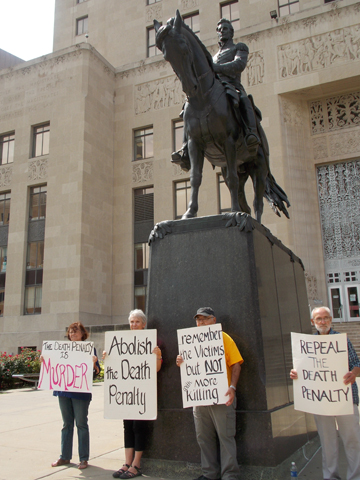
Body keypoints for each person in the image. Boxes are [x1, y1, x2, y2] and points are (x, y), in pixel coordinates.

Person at [172, 18, 260, 169]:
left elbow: (239, 64)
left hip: (233, 86)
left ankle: (251, 133)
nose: (221, 32)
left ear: (231, 32)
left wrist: (216, 68)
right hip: (217, 89)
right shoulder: (214, 55)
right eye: (219, 30)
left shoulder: (239, 47)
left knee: (244, 99)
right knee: (189, 106)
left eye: (224, 29)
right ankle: (185, 148)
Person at [290, 306, 360, 480]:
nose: (323, 322)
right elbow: (302, 370)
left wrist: (354, 373)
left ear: (331, 320)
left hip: (345, 398)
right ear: (312, 322)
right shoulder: (306, 344)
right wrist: (296, 374)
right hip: (321, 401)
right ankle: (331, 476)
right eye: (319, 319)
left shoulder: (342, 340)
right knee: (328, 443)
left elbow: (356, 363)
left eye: (326, 318)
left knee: (352, 440)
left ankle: (355, 476)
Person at [176, 307, 243, 480]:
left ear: (214, 320)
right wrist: (181, 361)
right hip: (200, 398)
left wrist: (232, 387)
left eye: (205, 319)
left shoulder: (224, 338)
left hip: (222, 397)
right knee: (203, 438)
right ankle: (210, 474)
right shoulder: (190, 342)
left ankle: (230, 475)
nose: (201, 323)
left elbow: (236, 364)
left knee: (225, 437)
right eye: (198, 320)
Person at [109, 309, 162, 479]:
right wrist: (107, 357)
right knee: (127, 427)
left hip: (142, 392)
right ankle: (127, 462)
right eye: (132, 322)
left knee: (139, 427)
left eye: (137, 321)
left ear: (144, 324)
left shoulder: (152, 341)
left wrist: (158, 356)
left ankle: (136, 464)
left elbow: (156, 369)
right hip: (126, 393)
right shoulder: (122, 341)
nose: (134, 325)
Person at [50, 322, 100, 470]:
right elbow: (54, 366)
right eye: (70, 332)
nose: (72, 334)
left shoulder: (89, 349)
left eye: (75, 332)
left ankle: (83, 458)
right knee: (66, 424)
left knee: (81, 424)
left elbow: (96, 372)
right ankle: (64, 457)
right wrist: (45, 360)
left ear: (82, 334)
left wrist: (95, 365)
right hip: (63, 391)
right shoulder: (61, 349)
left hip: (80, 393)